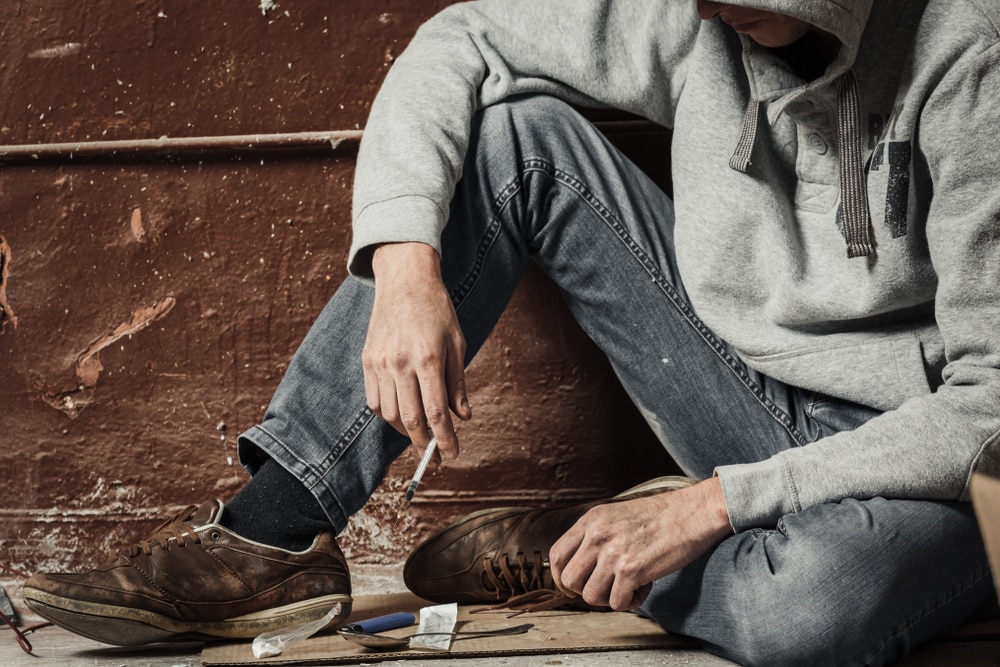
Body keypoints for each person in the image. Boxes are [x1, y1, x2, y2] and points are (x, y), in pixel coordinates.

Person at [21, 0, 1000, 664]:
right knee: (514, 137)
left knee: (809, 608)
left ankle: (583, 550)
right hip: (748, 395)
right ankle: (270, 539)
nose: (706, 18)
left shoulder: (968, 56)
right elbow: (463, 38)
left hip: (924, 462)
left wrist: (712, 506)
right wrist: (404, 264)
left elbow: (986, 407)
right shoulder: (686, 18)